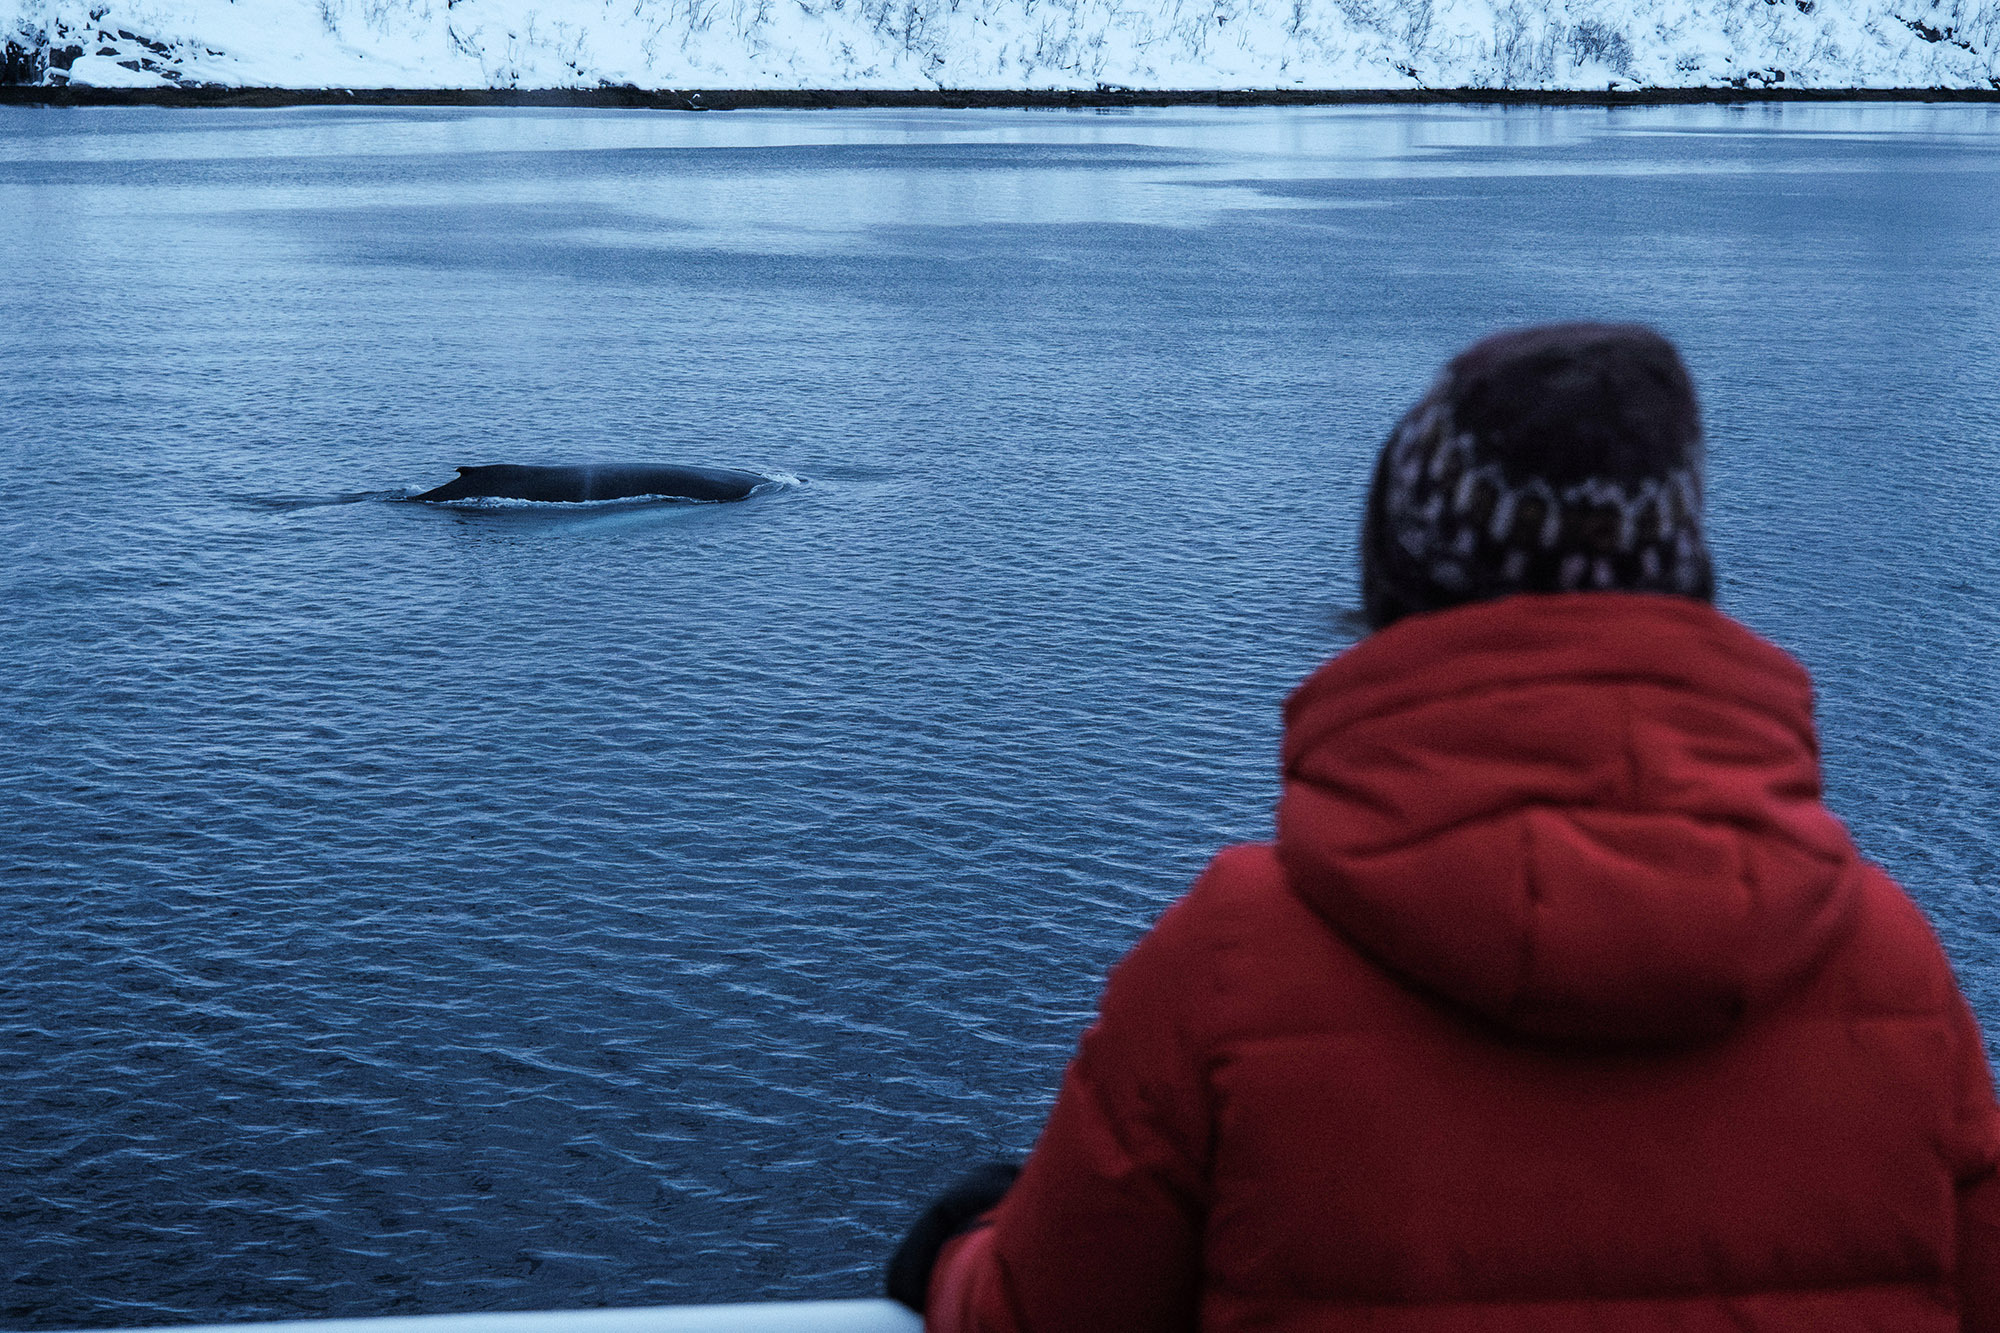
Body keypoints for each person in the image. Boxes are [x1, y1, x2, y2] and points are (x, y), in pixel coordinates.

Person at [886, 323, 2000, 1331]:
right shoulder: (1888, 960)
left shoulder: (1230, 964)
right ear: (1686, 576)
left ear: (1393, 574)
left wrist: (963, 1244)